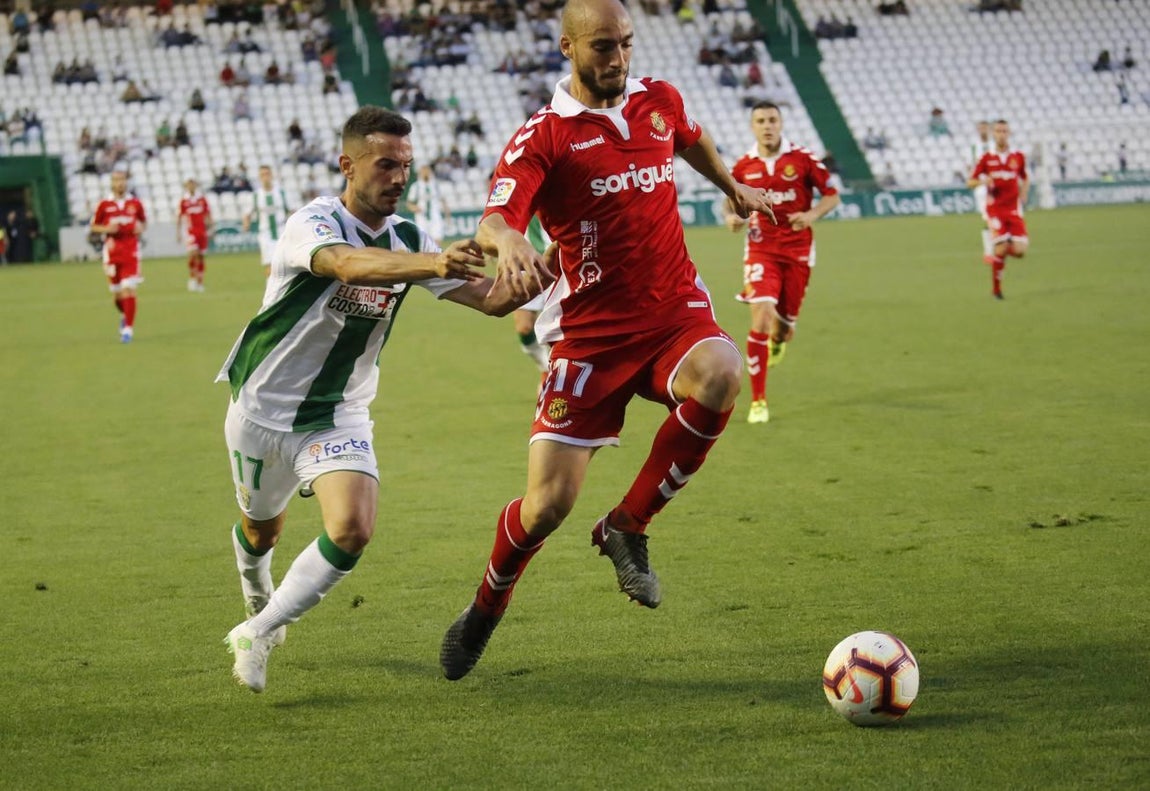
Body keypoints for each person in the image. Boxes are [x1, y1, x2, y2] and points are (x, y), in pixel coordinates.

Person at [437, 0, 777, 681]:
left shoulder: (658, 100)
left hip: (673, 312)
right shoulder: (544, 136)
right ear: (567, 47)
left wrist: (732, 184)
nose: (618, 58)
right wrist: (509, 242)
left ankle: (627, 524)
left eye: (625, 43)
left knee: (721, 372)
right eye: (602, 46)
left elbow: (688, 137)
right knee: (547, 506)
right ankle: (486, 605)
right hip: (589, 337)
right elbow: (495, 219)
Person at [218, 106, 552, 693]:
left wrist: (551, 267)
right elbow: (346, 266)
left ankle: (257, 630)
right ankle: (255, 585)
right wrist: (432, 263)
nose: (399, 177)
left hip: (338, 413)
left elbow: (491, 301)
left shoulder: (410, 238)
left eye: (406, 165)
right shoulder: (313, 223)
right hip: (262, 409)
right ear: (348, 166)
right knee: (259, 532)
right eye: (385, 165)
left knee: (352, 527)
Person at [724, 102, 840, 424]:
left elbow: (832, 196)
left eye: (772, 120)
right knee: (761, 316)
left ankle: (779, 339)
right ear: (752, 127)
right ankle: (758, 401)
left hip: (798, 251)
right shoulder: (744, 165)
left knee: (783, 329)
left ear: (781, 123)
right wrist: (731, 216)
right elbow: (729, 198)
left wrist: (812, 215)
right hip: (761, 249)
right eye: (760, 121)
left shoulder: (803, 159)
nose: (767, 126)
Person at [967, 119, 1029, 300]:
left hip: (1014, 209)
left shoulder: (1018, 157)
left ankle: (999, 251)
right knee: (1001, 249)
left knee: (1020, 251)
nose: (1002, 134)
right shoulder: (986, 158)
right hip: (995, 210)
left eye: (1004, 131)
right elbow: (970, 182)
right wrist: (983, 181)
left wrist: (1023, 194)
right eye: (998, 131)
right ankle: (996, 290)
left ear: (1009, 133)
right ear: (993, 134)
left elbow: (1025, 178)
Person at [89, 170, 147, 343]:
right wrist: (107, 229)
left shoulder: (135, 203)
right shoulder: (104, 204)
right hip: (112, 253)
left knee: (128, 288)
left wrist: (140, 228)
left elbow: (143, 222)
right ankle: (124, 314)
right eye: (116, 180)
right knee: (117, 295)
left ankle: (128, 329)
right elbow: (94, 226)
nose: (120, 183)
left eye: (122, 180)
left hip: (131, 251)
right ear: (112, 183)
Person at [242, 164, 291, 276]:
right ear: (259, 177)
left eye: (267, 174)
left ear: (272, 175)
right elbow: (247, 213)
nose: (265, 177)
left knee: (286, 264)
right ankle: (271, 286)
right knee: (270, 265)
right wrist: (246, 224)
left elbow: (293, 211)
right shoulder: (255, 196)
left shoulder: (282, 193)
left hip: (282, 231)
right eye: (262, 175)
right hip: (265, 234)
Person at [177, 177, 213, 292]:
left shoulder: (202, 199)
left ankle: (200, 282)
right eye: (189, 184)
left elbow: (208, 214)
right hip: (190, 232)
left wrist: (211, 228)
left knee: (201, 256)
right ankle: (192, 278)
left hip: (202, 231)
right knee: (193, 254)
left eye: (192, 184)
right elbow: (179, 217)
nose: (191, 186)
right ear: (186, 186)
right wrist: (178, 232)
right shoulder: (184, 201)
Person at [969, 120, 994, 263]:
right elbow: (970, 167)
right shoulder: (973, 148)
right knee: (988, 218)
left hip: (997, 187)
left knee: (997, 218)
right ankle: (988, 252)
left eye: (985, 127)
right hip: (981, 188)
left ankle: (996, 248)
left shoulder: (995, 146)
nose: (983, 130)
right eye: (980, 128)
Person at [405, 164, 449, 244]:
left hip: (435, 215)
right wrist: (415, 208)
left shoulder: (435, 185)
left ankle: (435, 252)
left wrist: (447, 215)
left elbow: (443, 200)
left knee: (437, 238)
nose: (426, 173)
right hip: (422, 217)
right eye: (423, 171)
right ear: (420, 173)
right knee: (423, 240)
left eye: (427, 171)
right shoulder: (416, 186)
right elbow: (409, 203)